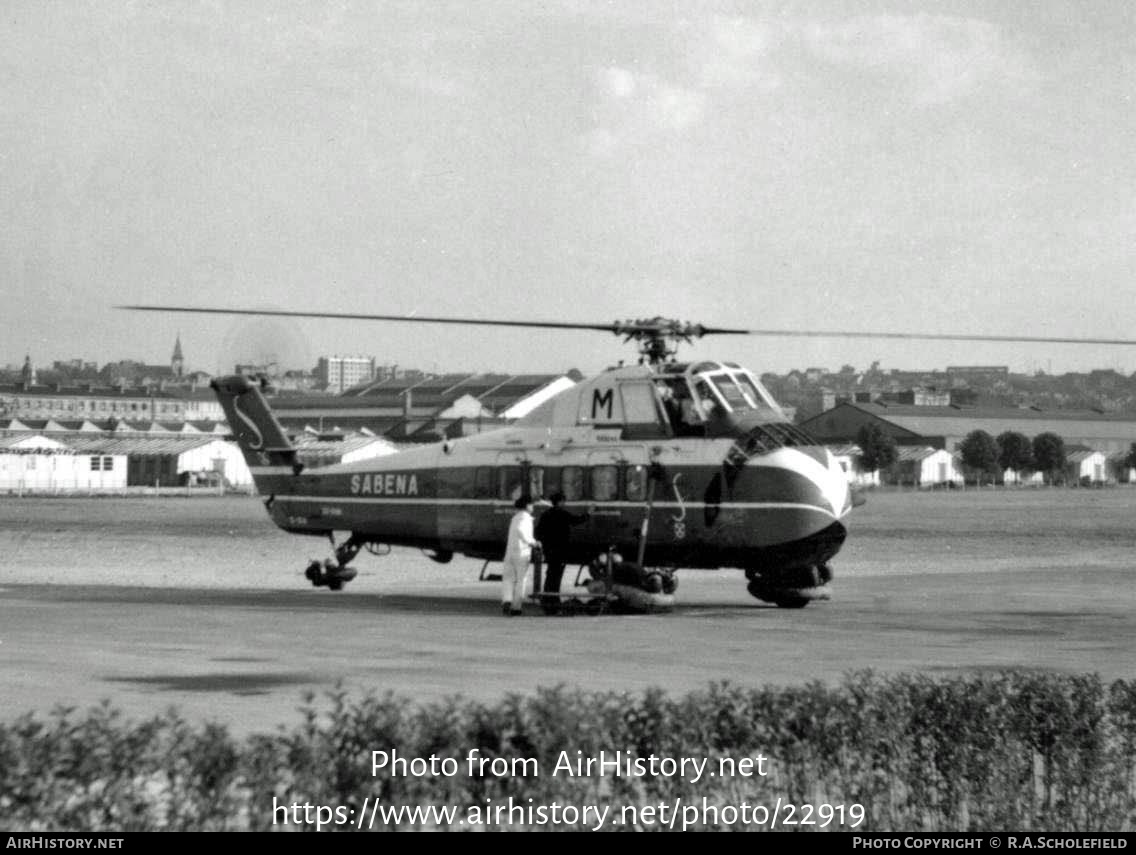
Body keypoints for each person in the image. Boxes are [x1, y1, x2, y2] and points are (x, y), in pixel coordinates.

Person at [534, 492, 589, 613]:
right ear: (560, 502)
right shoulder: (561, 513)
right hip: (560, 549)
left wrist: (544, 543)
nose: (564, 503)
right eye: (563, 501)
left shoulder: (546, 514)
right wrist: (588, 513)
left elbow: (537, 531)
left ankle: (548, 600)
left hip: (549, 550)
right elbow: (576, 521)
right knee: (556, 576)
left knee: (550, 574)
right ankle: (553, 601)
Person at [502, 494, 539, 616]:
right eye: (531, 504)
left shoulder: (515, 517)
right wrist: (532, 542)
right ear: (526, 506)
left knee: (508, 579)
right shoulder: (525, 518)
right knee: (521, 580)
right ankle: (516, 607)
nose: (533, 506)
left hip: (510, 553)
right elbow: (520, 530)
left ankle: (507, 600)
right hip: (522, 553)